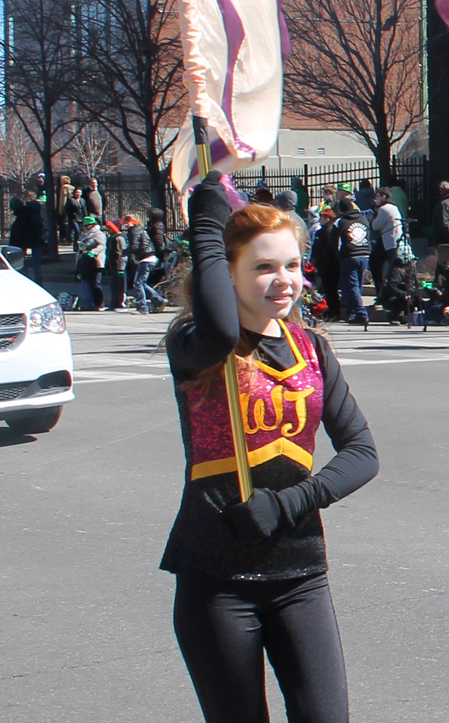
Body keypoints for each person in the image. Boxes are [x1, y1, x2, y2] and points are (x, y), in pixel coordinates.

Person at [160, 171, 379, 723]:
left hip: (301, 575)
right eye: (262, 267)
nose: (284, 280)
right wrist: (206, 222)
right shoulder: (197, 343)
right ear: (226, 275)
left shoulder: (312, 348)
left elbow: (362, 453)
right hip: (217, 586)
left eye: (290, 265)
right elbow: (215, 325)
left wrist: (289, 503)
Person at [123, 214, 167, 314]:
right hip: (149, 257)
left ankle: (142, 307)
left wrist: (124, 252)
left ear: (133, 221)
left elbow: (134, 246)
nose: (125, 224)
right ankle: (159, 300)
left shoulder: (134, 230)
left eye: (127, 221)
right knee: (142, 283)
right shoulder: (139, 229)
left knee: (138, 283)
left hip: (146, 258)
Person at [337, 199, 371, 326]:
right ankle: (351, 313)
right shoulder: (363, 219)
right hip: (364, 254)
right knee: (357, 286)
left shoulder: (342, 221)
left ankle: (361, 313)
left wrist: (338, 253)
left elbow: (334, 239)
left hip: (349, 255)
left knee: (352, 286)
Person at [370, 186, 403, 296]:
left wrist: (374, 213)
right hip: (387, 241)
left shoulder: (385, 208)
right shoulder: (393, 206)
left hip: (390, 242)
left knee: (390, 268)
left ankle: (384, 293)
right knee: (377, 263)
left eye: (378, 196)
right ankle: (383, 293)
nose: (376, 199)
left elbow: (375, 225)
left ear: (384, 196)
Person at [310, 208, 341, 320]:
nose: (320, 220)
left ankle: (334, 312)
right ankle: (331, 312)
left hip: (328, 265)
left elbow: (326, 249)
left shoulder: (328, 230)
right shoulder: (324, 230)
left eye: (322, 217)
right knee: (329, 290)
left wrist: (320, 263)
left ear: (327, 218)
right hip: (327, 264)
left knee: (330, 290)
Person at [9, 195, 45, 285]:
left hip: (25, 242)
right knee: (36, 263)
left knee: (22, 263)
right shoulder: (32, 215)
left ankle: (26, 280)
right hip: (37, 241)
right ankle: (38, 281)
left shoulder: (22, 217)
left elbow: (19, 232)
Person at [77, 216, 107, 310]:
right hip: (85, 262)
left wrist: (93, 252)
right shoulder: (84, 235)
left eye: (85, 225)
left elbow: (102, 245)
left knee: (95, 284)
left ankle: (100, 304)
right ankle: (88, 304)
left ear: (90, 225)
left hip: (95, 262)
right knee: (86, 283)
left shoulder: (98, 234)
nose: (84, 227)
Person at [105, 220, 128, 311]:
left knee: (120, 286)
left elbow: (123, 253)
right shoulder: (111, 238)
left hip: (119, 266)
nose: (108, 230)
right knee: (114, 285)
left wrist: (121, 268)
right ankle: (114, 303)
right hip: (113, 266)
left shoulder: (119, 238)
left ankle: (120, 303)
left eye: (109, 228)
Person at [58, 175, 74, 243]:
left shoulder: (63, 188)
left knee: (65, 223)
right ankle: (71, 237)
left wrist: (61, 209)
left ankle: (66, 238)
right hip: (72, 207)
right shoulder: (72, 187)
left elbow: (63, 199)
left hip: (66, 207)